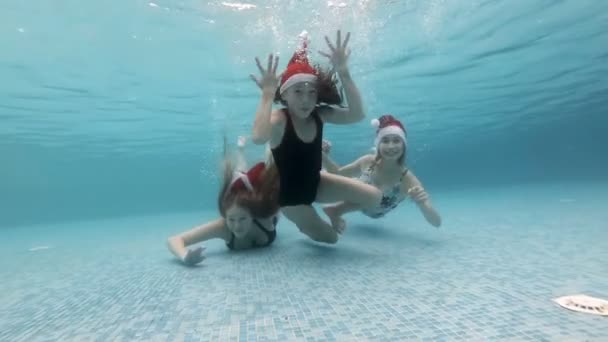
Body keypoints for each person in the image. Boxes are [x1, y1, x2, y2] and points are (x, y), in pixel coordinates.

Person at [249, 30, 382, 244]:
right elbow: (257, 137)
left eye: (312, 92)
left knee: (374, 197)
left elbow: (357, 114)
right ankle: (303, 223)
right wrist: (266, 94)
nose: (306, 100)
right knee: (331, 239)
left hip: (316, 184)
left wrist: (344, 72)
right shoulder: (279, 119)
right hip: (292, 200)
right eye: (298, 92)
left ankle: (333, 211)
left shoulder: (319, 114)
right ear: (284, 94)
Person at [167, 137, 280, 266]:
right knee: (240, 172)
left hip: (259, 203)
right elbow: (173, 240)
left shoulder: (264, 215)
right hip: (245, 197)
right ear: (225, 217)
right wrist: (185, 256)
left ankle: (263, 144)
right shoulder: (222, 227)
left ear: (252, 215)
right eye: (231, 219)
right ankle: (240, 151)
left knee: (263, 172)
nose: (237, 226)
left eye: (242, 219)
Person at [321, 115, 442, 232]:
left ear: (404, 145)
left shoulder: (407, 178)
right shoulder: (368, 161)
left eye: (396, 141)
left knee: (370, 192)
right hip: (356, 198)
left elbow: (436, 223)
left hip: (375, 212)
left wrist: (422, 203)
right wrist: (323, 156)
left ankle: (335, 210)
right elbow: (338, 173)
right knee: (348, 180)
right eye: (385, 140)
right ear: (378, 144)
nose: (390, 146)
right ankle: (335, 210)